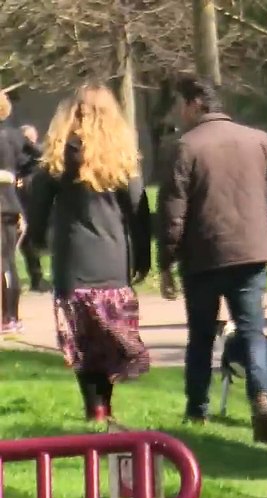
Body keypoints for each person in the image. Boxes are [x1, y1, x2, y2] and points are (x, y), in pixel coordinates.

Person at [158, 76, 267, 443]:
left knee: (200, 336)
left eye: (180, 104)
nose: (177, 112)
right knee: (252, 332)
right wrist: (265, 230)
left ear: (195, 103)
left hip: (202, 256)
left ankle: (197, 409)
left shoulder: (185, 147)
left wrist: (166, 259)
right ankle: (260, 395)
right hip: (249, 252)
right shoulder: (258, 139)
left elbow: (173, 211)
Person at [23, 84, 152, 420]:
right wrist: (143, 257)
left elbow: (37, 207)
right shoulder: (121, 159)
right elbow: (139, 210)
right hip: (112, 260)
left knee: (82, 343)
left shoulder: (57, 156)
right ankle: (104, 405)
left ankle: (94, 408)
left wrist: (36, 241)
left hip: (72, 262)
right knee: (109, 342)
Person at [0, 90, 40, 333]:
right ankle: (11, 316)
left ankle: (6, 316)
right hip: (11, 201)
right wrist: (19, 178)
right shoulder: (16, 135)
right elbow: (39, 156)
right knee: (8, 260)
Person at [16, 123, 48, 294]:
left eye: (32, 137)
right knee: (26, 242)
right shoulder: (16, 155)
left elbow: (41, 154)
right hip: (22, 200)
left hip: (39, 200)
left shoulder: (39, 151)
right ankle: (36, 277)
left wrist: (29, 145)